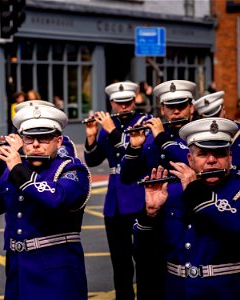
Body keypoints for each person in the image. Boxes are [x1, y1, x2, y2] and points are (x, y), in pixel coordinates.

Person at [0, 103, 90, 300]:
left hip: (57, 274)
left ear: (58, 140)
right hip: (18, 270)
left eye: (44, 137)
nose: (36, 145)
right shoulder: (13, 172)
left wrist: (16, 167)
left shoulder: (72, 170)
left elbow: (55, 198)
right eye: (29, 138)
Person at [133, 117, 240, 300]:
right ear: (190, 158)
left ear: (230, 157)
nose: (211, 160)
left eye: (219, 153)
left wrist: (194, 189)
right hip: (179, 293)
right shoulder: (172, 191)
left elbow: (238, 226)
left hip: (232, 292)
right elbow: (144, 254)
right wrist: (150, 214)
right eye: (203, 154)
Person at [120, 79, 195, 299]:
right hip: (154, 221)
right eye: (170, 107)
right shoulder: (152, 138)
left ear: (191, 107)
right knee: (149, 284)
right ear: (162, 109)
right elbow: (127, 176)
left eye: (182, 105)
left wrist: (162, 137)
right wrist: (134, 147)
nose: (176, 111)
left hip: (187, 221)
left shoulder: (200, 135)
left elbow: (190, 161)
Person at [84, 81, 150, 300]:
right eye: (119, 103)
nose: (123, 107)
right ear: (111, 103)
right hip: (115, 201)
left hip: (140, 194)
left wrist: (112, 132)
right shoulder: (107, 124)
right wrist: (92, 137)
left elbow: (138, 154)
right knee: (119, 260)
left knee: (144, 258)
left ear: (135, 100)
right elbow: (93, 160)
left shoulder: (145, 122)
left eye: (128, 102)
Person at [193, 91, 240, 169]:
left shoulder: (239, 131)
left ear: (223, 110)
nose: (214, 120)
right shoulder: (194, 133)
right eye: (208, 117)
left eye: (216, 115)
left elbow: (239, 163)